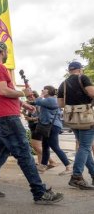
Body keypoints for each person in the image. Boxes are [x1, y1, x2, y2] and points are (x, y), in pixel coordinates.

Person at [0, 41, 63, 204]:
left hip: (0, 116)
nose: (7, 54)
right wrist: (22, 92)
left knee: (0, 152)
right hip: (7, 117)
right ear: (3, 52)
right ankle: (39, 192)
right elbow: (4, 91)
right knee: (24, 153)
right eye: (7, 51)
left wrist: (22, 104)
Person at [57, 61, 94, 190]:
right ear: (80, 69)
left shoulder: (64, 84)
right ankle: (76, 176)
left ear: (69, 71)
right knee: (85, 146)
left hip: (72, 120)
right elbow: (92, 93)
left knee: (85, 147)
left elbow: (60, 104)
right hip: (86, 118)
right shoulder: (83, 78)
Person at [35, 85, 72, 176]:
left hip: (52, 126)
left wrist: (41, 95)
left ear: (48, 91)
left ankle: (68, 166)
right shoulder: (51, 100)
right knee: (45, 146)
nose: (42, 90)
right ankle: (43, 166)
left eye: (44, 89)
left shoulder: (51, 100)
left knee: (54, 146)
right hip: (50, 125)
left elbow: (37, 101)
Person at [22, 91, 57, 170]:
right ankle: (40, 163)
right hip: (32, 126)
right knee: (37, 147)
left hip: (38, 126)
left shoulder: (39, 104)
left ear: (35, 96)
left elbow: (41, 117)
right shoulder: (31, 104)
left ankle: (51, 161)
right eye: (28, 97)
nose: (29, 98)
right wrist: (25, 112)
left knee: (36, 146)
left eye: (30, 97)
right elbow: (25, 112)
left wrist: (31, 118)